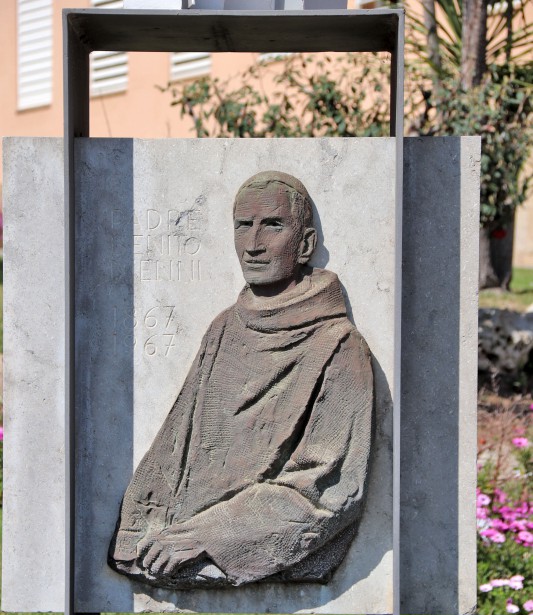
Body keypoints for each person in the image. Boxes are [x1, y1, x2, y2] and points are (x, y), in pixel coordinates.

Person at [108, 171, 374, 589]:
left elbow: (329, 488)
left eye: (272, 225)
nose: (253, 244)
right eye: (243, 225)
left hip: (237, 548)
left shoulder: (339, 345)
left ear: (305, 244)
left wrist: (210, 537)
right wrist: (142, 533)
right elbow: (176, 446)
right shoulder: (223, 328)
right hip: (176, 542)